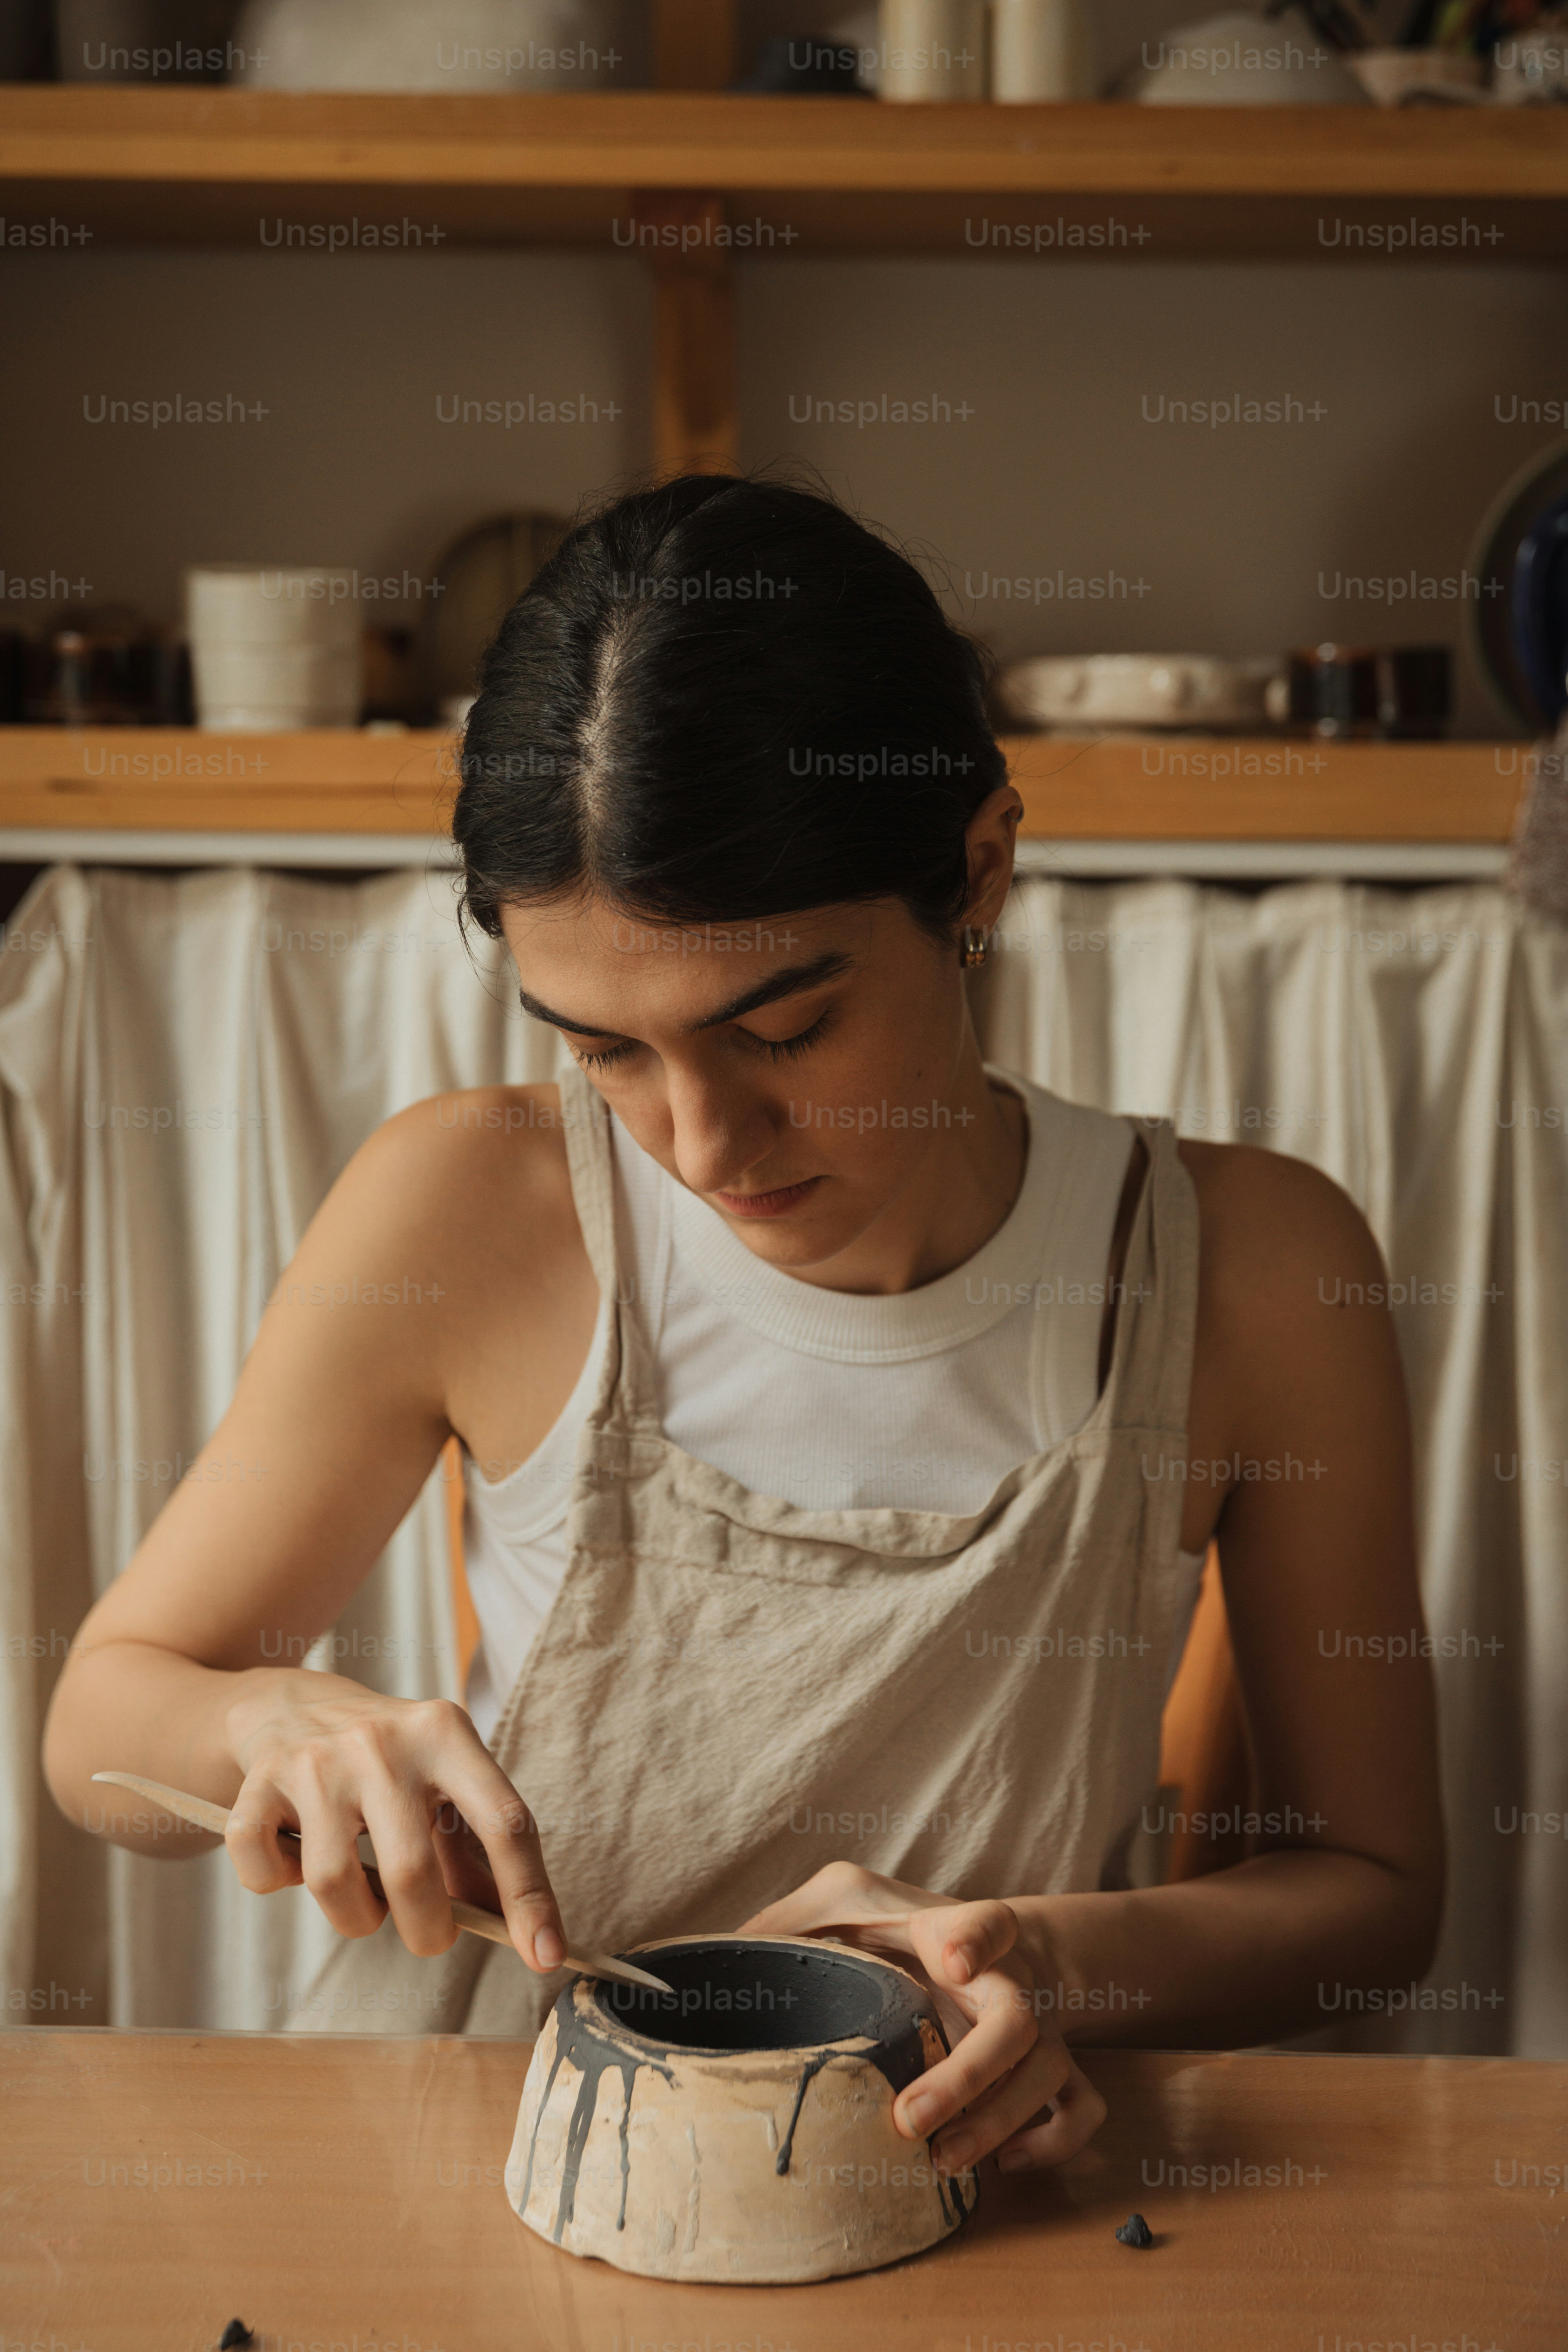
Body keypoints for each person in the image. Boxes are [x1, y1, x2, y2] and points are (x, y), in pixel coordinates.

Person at [44, 474, 1443, 2182]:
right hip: (477, 2164)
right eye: (604, 1052)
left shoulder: (1253, 1268)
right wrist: (263, 1724)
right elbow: (97, 1732)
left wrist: (1047, 1961)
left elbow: (1377, 1897)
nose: (703, 1149)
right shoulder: (467, 1212)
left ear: (981, 871)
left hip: (936, 2189)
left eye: (781, 1030)